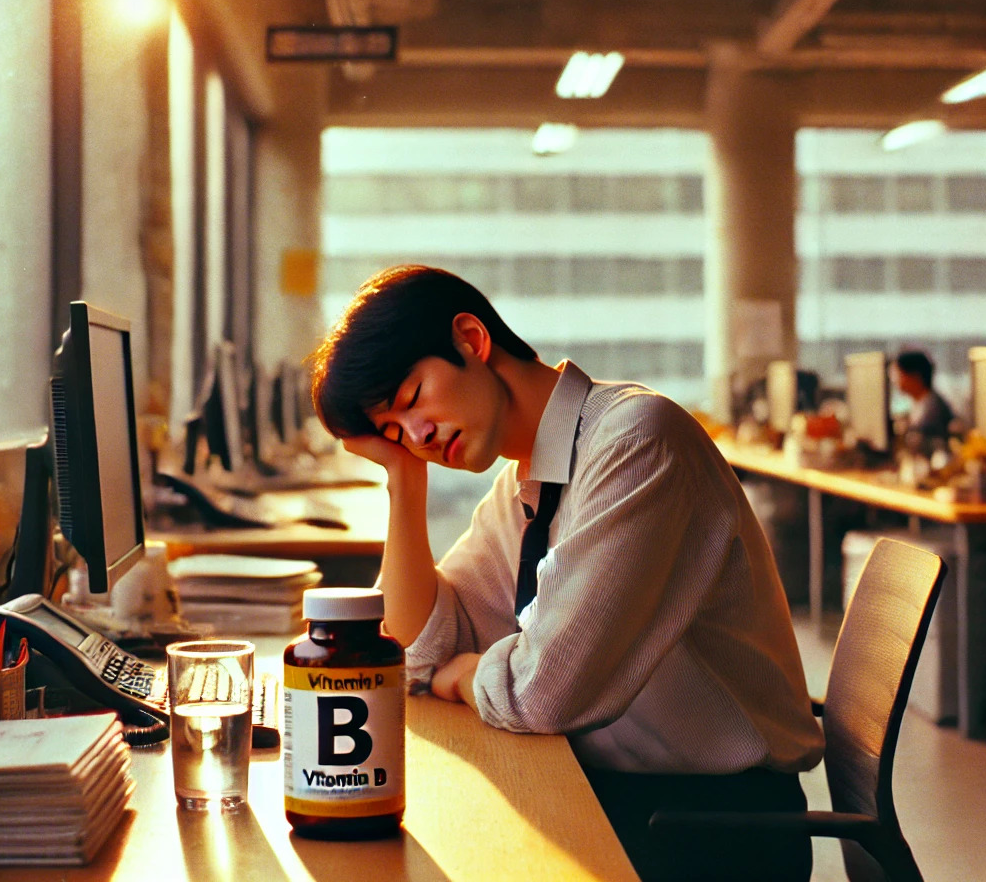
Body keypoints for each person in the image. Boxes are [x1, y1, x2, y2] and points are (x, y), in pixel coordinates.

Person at [309, 265, 824, 881]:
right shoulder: (529, 479)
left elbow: (541, 694)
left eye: (414, 398)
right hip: (626, 797)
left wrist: (468, 674)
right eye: (394, 432)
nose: (417, 436)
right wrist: (404, 481)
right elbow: (415, 650)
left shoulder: (635, 441)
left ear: (471, 339)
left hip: (714, 829)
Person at [893, 349, 955, 447]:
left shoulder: (932, 407)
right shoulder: (920, 402)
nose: (895, 380)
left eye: (899, 374)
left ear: (915, 376)